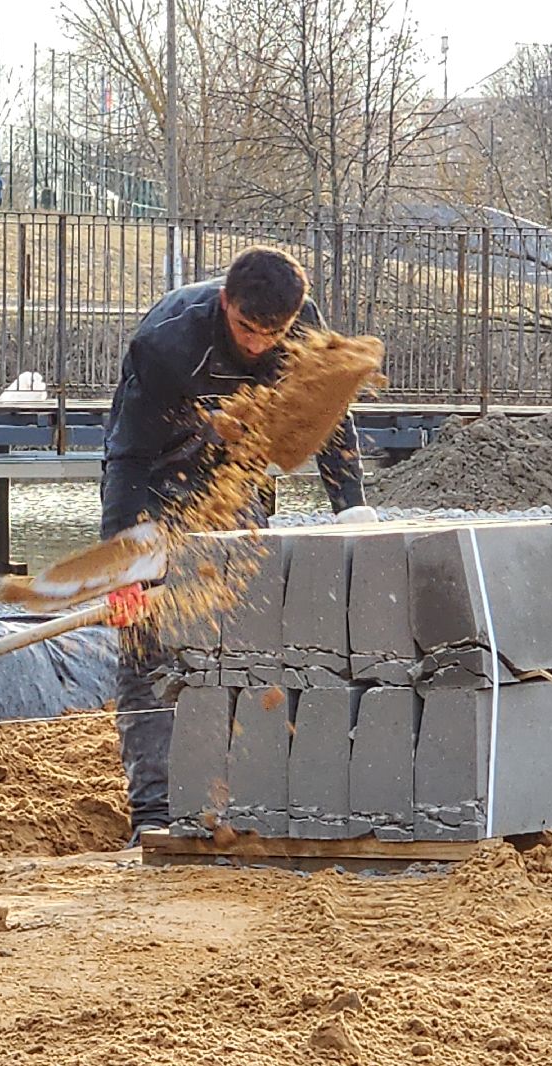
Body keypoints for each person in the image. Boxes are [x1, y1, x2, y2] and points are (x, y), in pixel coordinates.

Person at [99, 245, 377, 844]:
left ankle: (241, 799)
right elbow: (127, 458)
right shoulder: (167, 342)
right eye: (247, 329)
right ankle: (152, 812)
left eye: (270, 334)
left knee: (249, 629)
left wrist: (351, 506)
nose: (257, 345)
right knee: (147, 643)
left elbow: (327, 417)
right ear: (226, 303)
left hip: (234, 472)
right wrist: (124, 567)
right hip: (160, 470)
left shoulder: (302, 329)